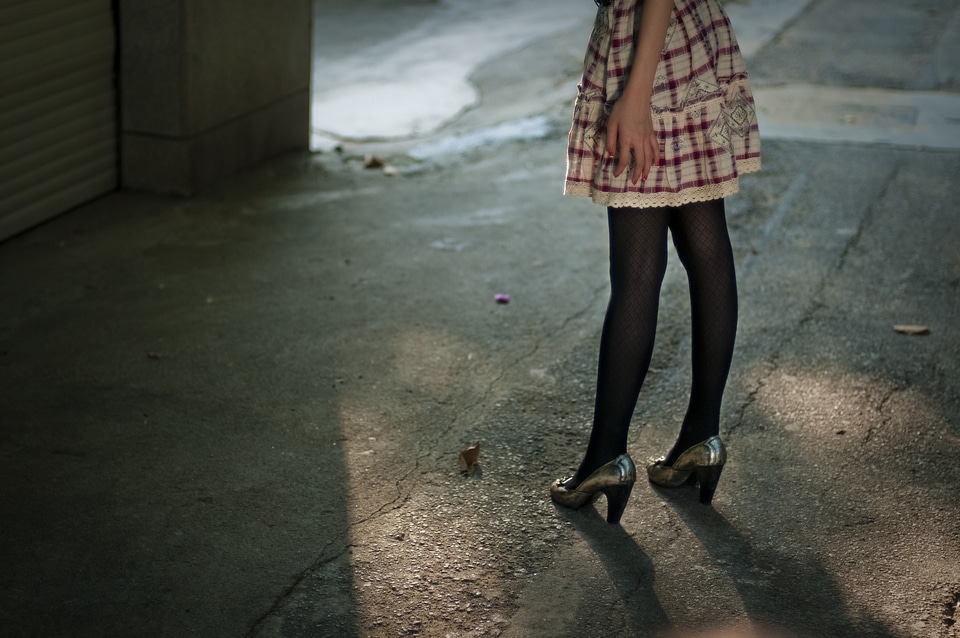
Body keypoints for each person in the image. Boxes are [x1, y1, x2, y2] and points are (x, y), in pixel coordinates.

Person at [550, 0, 761, 524]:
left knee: (639, 271)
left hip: (651, 56)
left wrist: (637, 94)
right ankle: (700, 438)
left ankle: (606, 455)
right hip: (683, 47)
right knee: (705, 248)